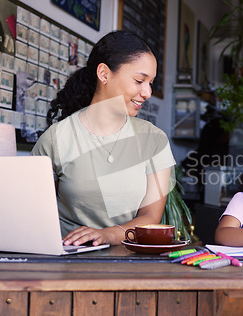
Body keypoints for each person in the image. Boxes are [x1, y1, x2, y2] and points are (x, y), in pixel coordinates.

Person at [31, 30, 176, 247]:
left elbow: (150, 217)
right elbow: (34, 210)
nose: (147, 92)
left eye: (151, 82)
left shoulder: (154, 140)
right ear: (104, 74)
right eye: (139, 80)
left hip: (128, 259)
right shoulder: (56, 138)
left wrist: (106, 235)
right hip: (67, 257)